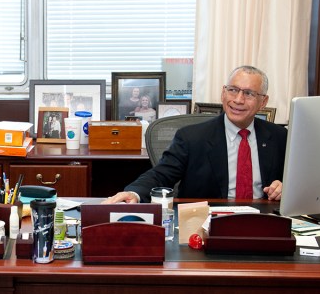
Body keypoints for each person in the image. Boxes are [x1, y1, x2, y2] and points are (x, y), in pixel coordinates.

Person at [104, 65, 286, 202]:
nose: (238, 100)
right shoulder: (191, 138)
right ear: (223, 93)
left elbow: (299, 182)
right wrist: (134, 192)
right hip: (207, 223)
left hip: (262, 221)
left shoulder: (280, 138)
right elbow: (162, 175)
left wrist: (286, 188)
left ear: (263, 102)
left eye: (248, 93)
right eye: (233, 90)